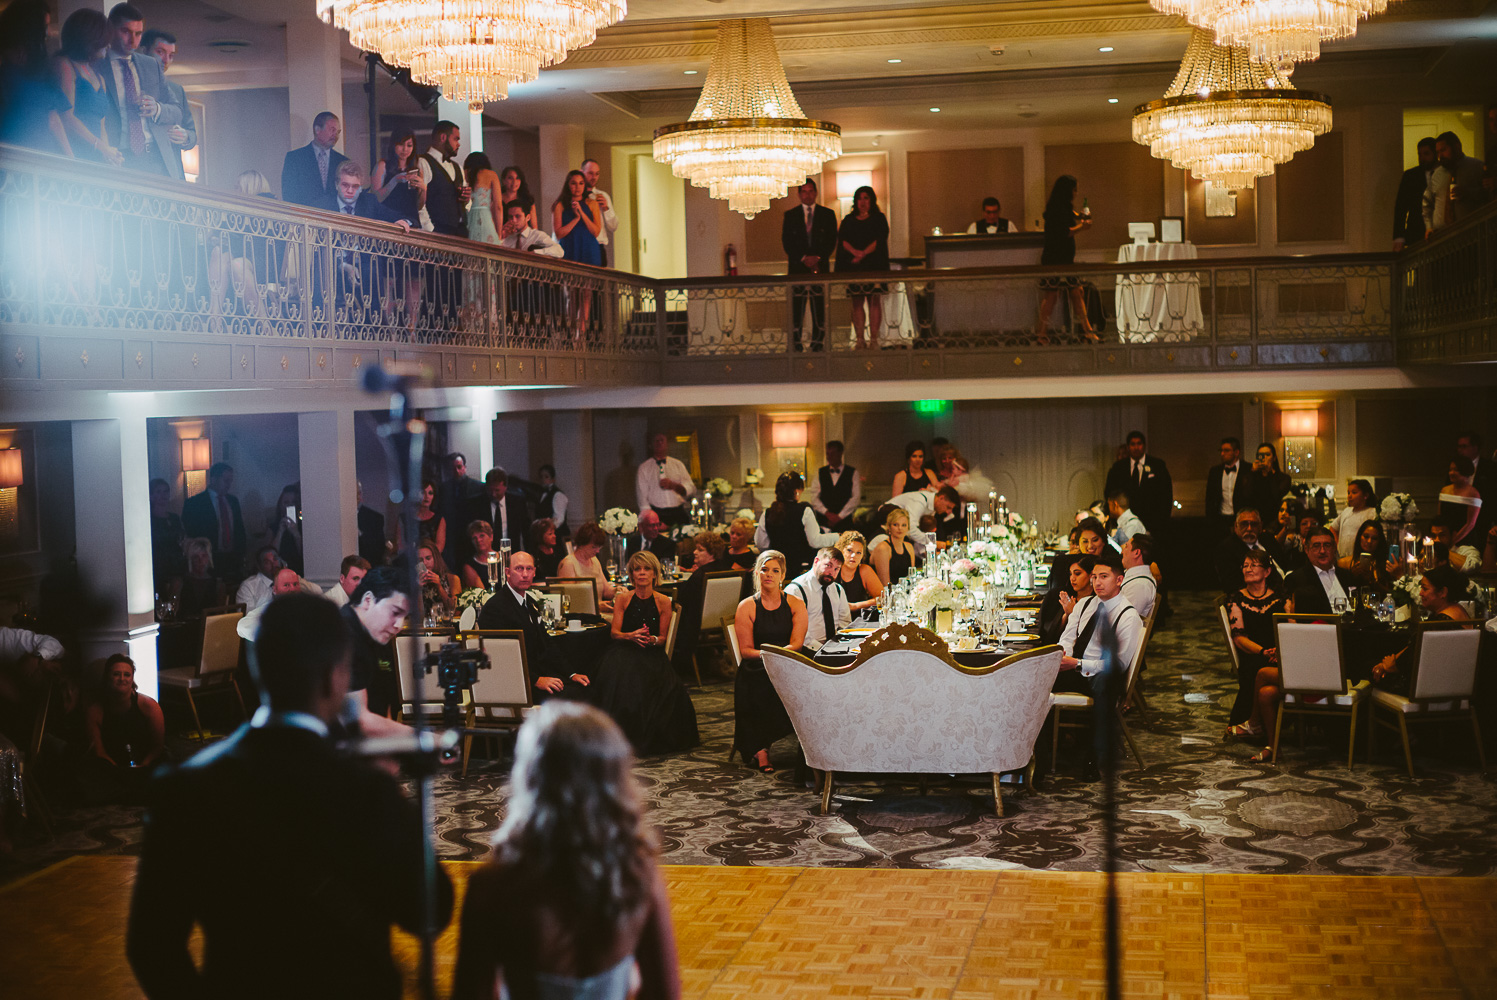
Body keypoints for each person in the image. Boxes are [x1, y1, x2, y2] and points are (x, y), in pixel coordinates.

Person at [127, 594, 451, 1000]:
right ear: (335, 675)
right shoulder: (363, 788)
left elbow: (151, 946)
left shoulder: (186, 786)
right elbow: (430, 910)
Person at [451, 701, 681, 1000]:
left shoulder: (493, 885)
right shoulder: (637, 874)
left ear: (531, 777)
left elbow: (472, 994)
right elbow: (665, 994)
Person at [590, 552, 699, 756]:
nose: (642, 573)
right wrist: (630, 636)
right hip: (624, 650)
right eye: (637, 569)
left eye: (646, 569)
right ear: (632, 574)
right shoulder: (623, 599)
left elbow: (663, 638)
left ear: (654, 573)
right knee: (623, 684)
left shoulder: (663, 601)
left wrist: (651, 640)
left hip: (651, 652)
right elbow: (614, 633)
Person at [476, 552, 591, 700]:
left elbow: (547, 644)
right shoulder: (495, 608)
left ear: (534, 572)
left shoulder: (530, 602)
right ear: (507, 572)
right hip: (516, 682)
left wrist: (571, 674)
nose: (525, 574)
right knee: (572, 697)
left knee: (586, 687)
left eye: (529, 569)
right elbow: (501, 656)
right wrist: (536, 680)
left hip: (536, 673)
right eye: (519, 569)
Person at [732, 550, 807, 773]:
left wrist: (780, 655)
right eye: (764, 570)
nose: (769, 575)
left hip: (786, 660)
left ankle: (809, 748)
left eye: (775, 571)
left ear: (783, 575)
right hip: (757, 663)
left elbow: (797, 644)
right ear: (757, 573)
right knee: (758, 685)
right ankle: (760, 749)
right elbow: (746, 651)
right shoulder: (746, 606)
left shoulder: (795, 604)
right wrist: (769, 656)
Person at [96, 3, 183, 178]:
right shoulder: (96, 65)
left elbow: (177, 111)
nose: (133, 40)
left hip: (156, 158)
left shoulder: (151, 65)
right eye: (126, 32)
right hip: (117, 158)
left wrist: (157, 108)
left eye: (138, 33)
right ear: (111, 29)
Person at [1053, 551, 1144, 705]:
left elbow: (1119, 664)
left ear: (1119, 580)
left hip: (1100, 678)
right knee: (1032, 676)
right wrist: (1064, 656)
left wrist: (1078, 663)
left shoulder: (1128, 616)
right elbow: (1067, 638)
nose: (1097, 583)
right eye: (1094, 577)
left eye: (1104, 577)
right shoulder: (1084, 604)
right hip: (1074, 671)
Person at [1371, 566, 1471, 697]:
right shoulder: (1458, 611)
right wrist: (1392, 661)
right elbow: (1414, 647)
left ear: (1443, 592)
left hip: (1428, 692)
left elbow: (1416, 662)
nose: (1420, 593)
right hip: (1456, 690)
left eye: (1425, 588)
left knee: (1369, 669)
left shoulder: (1440, 623)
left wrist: (1391, 666)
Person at [81, 653, 166, 800]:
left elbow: (158, 746)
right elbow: (99, 751)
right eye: (116, 674)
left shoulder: (149, 706)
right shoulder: (95, 711)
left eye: (127, 675)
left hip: (146, 762)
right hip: (113, 765)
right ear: (107, 677)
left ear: (132, 679)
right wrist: (119, 771)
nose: (122, 679)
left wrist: (143, 767)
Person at [1223, 549, 1288, 740]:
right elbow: (1239, 638)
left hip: (1280, 652)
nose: (1248, 569)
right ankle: (1263, 727)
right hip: (1253, 653)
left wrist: (1280, 649)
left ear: (1267, 572)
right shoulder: (1236, 598)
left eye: (1253, 565)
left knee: (1269, 687)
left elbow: (1291, 628)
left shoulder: (1280, 598)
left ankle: (1258, 725)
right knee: (1255, 669)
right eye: (1245, 566)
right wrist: (1262, 651)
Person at [0, 1, 71, 156]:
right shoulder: (5, 74)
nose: (49, 32)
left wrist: (72, 161)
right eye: (44, 27)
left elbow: (54, 119)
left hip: (45, 163)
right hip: (14, 166)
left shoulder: (43, 71)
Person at [54, 8, 121, 166]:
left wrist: (108, 154)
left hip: (97, 157)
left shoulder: (100, 78)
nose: (108, 45)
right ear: (90, 38)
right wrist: (101, 147)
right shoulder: (64, 65)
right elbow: (66, 117)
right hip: (74, 153)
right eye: (104, 39)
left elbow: (101, 124)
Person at [1035, 174, 1096, 343]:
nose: (1076, 192)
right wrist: (1082, 227)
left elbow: (1072, 215)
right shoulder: (1058, 209)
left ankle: (1087, 331)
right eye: (1074, 189)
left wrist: (1081, 217)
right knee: (1053, 295)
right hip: (1056, 258)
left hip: (1062, 257)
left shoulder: (1058, 206)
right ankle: (1042, 333)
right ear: (1068, 191)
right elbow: (1065, 232)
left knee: (1075, 293)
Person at [782, 178, 838, 351]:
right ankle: (796, 344)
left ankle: (818, 343)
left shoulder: (827, 214)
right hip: (797, 268)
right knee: (796, 308)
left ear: (816, 193)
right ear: (799, 194)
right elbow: (787, 242)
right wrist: (804, 258)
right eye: (804, 191)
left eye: (810, 191)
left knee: (819, 307)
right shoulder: (790, 215)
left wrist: (818, 257)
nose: (807, 195)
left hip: (820, 268)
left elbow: (831, 240)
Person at [835, 185, 890, 350]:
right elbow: (842, 240)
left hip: (873, 265)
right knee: (857, 302)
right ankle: (860, 339)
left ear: (872, 200)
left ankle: (874, 339)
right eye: (860, 198)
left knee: (874, 300)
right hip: (854, 267)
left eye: (866, 198)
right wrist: (854, 252)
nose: (863, 202)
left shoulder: (879, 218)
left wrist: (863, 253)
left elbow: (880, 239)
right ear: (855, 201)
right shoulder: (848, 220)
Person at [755, 472, 839, 577]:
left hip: (777, 570)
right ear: (797, 491)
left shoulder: (768, 512)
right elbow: (815, 541)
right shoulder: (804, 511)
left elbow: (761, 544)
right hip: (800, 570)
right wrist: (837, 537)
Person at [140, 28, 194, 178]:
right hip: (136, 166)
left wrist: (185, 137)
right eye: (160, 52)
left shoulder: (177, 90)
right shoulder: (131, 83)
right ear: (144, 51)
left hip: (170, 171)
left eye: (171, 56)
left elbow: (192, 133)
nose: (166, 60)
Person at [1104, 431, 1173, 543]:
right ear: (1128, 447)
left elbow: (1166, 495)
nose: (1136, 447)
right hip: (1126, 523)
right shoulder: (1118, 468)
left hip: (1153, 524)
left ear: (1144, 446)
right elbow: (1109, 493)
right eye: (1133, 444)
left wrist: (1161, 522)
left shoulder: (1157, 465)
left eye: (1139, 444)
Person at [1423, 131, 1490, 233]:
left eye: (1444, 150)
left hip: (1470, 234)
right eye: (1438, 152)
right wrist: (1429, 227)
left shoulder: (1477, 167)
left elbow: (1489, 196)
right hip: (1441, 235)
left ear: (1457, 147)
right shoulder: (1437, 174)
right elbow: (1427, 202)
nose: (1440, 155)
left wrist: (1468, 193)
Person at [784, 547, 850, 651]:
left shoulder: (837, 589)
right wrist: (824, 650)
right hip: (808, 650)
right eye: (828, 566)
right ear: (816, 561)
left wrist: (840, 646)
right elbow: (797, 633)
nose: (831, 572)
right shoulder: (796, 590)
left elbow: (845, 622)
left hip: (836, 647)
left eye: (836, 569)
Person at [280, 110, 347, 207]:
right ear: (317, 130)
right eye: (332, 130)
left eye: (338, 132)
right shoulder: (295, 158)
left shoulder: (343, 162)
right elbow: (289, 194)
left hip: (335, 219)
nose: (335, 135)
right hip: (304, 217)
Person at [1282, 526, 1354, 614]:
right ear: (1307, 549)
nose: (1322, 551)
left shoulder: (1348, 576)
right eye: (1316, 546)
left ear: (1334, 548)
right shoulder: (1296, 580)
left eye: (1327, 545)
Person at [1213, 508, 1285, 595]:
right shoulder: (1226, 549)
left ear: (1260, 526)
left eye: (1254, 524)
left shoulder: (1268, 539)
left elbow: (1284, 562)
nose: (1249, 528)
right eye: (1244, 524)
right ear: (1236, 526)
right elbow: (1232, 585)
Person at [418, 119, 469, 237]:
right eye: (456, 139)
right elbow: (419, 202)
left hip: (460, 232)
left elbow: (466, 204)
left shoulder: (458, 168)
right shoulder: (423, 162)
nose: (458, 144)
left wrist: (466, 199)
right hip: (437, 232)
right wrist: (430, 231)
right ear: (443, 137)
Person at [369, 129, 426, 226]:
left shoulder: (417, 170)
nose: (405, 149)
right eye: (401, 144)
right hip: (389, 220)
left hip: (411, 221)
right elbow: (375, 198)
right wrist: (394, 181)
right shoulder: (382, 166)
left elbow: (419, 207)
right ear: (393, 145)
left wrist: (423, 188)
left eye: (409, 145)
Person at [635, 432, 694, 526]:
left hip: (678, 513)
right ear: (651, 445)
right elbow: (642, 500)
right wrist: (652, 521)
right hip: (658, 515)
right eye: (656, 441)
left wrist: (674, 486)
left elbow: (691, 488)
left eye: (662, 440)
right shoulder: (644, 468)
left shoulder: (678, 464)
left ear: (667, 444)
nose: (659, 443)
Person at [558, 521, 617, 614]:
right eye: (594, 547)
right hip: (582, 617)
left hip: (598, 613)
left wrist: (617, 591)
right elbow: (568, 600)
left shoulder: (594, 560)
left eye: (599, 547)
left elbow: (606, 591)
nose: (597, 551)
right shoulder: (569, 564)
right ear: (581, 544)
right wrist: (597, 606)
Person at [467, 467, 529, 554]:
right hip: (485, 554)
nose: (493, 494)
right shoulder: (476, 503)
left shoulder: (517, 502)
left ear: (505, 487)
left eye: (497, 490)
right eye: (490, 490)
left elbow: (526, 530)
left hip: (511, 552)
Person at [1393, 136, 1437, 250]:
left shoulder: (1444, 173)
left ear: (1435, 153)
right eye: (1420, 154)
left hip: (1440, 229)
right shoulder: (1410, 176)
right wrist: (1399, 237)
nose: (1422, 158)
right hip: (1416, 232)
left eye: (1426, 154)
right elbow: (1401, 207)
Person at [554, 167, 603, 266]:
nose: (577, 187)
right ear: (568, 185)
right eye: (573, 183)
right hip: (569, 246)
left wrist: (581, 213)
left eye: (581, 183)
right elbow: (558, 234)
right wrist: (576, 219)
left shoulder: (592, 203)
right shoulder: (560, 205)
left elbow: (596, 232)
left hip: (589, 248)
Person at [810, 439, 861, 529]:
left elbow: (856, 498)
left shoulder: (852, 472)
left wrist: (840, 516)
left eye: (832, 454)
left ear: (840, 453)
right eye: (827, 454)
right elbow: (814, 497)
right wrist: (827, 513)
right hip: (823, 521)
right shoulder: (820, 472)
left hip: (844, 522)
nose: (829, 457)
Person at [581, 157, 620, 268]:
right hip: (580, 245)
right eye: (590, 173)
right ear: (581, 172)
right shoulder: (575, 197)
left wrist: (606, 209)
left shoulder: (603, 196)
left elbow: (613, 227)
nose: (594, 177)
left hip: (598, 246)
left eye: (597, 174)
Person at [1338, 520, 1398, 593]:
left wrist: (1373, 581)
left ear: (1379, 541)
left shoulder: (1386, 564)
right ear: (1359, 537)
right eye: (1366, 536)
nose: (1369, 541)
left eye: (1374, 538)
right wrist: (1352, 576)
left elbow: (1391, 594)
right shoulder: (1344, 563)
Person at [1327, 478, 1378, 560]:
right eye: (1348, 493)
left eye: (1354, 493)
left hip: (1361, 558)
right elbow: (1333, 528)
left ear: (1365, 496)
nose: (1349, 496)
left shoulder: (1372, 512)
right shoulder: (1347, 511)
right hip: (1342, 557)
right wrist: (1337, 544)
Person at [148, 477, 184, 591]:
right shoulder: (149, 519)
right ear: (151, 495)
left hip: (176, 564)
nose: (163, 495)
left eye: (165, 491)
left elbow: (180, 538)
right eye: (158, 492)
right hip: (158, 565)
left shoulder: (174, 518)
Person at [834, 530, 883, 613]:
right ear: (841, 550)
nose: (854, 556)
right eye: (849, 551)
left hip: (860, 621)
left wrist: (856, 606)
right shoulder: (833, 569)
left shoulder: (864, 570)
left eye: (858, 553)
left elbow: (883, 598)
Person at [1439, 455, 1483, 546]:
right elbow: (1440, 517)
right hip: (1445, 538)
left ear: (1465, 471)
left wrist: (1454, 541)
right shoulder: (1444, 490)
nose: (1451, 473)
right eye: (1450, 470)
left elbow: (1470, 524)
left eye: (1456, 470)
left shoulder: (1473, 494)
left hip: (1465, 540)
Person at [176, 538, 227, 617]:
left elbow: (220, 615)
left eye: (204, 556)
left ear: (209, 558)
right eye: (196, 557)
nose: (200, 561)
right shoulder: (179, 582)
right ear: (191, 560)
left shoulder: (218, 585)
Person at [868, 506, 918, 586]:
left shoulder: (909, 547)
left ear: (908, 527)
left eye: (904, 525)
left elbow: (911, 577)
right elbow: (885, 585)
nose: (900, 528)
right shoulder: (883, 548)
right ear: (889, 527)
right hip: (887, 594)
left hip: (904, 591)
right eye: (895, 524)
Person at [395, 479, 446, 556]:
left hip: (430, 561)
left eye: (430, 493)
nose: (427, 496)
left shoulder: (439, 519)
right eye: (423, 492)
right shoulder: (403, 518)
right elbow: (400, 545)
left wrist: (424, 559)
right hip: (409, 559)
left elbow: (439, 547)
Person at [463, 150, 503, 245]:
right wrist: (499, 233)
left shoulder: (465, 173)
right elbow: (498, 206)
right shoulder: (491, 175)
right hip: (485, 218)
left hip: (469, 218)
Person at [499, 198, 563, 256]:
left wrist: (535, 253)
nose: (513, 220)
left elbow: (559, 251)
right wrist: (502, 237)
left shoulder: (537, 235)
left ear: (528, 217)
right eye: (510, 217)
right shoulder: (507, 237)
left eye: (518, 216)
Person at [1246, 443, 1292, 520]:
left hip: (1274, 518)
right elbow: (1247, 496)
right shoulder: (1251, 476)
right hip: (1254, 518)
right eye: (1261, 455)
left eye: (1267, 455)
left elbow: (1276, 496)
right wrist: (1252, 472)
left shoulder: (1284, 478)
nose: (1264, 458)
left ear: (1274, 458)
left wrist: (1269, 472)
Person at [266, 483, 303, 576]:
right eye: (286, 502)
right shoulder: (273, 527)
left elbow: (307, 555)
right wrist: (280, 532)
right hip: (279, 573)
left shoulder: (305, 526)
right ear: (280, 505)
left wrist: (296, 534)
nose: (289, 506)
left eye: (293, 502)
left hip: (300, 572)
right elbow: (270, 556)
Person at [1119, 534, 1158, 620]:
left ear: (1136, 553)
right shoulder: (1134, 578)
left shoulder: (1139, 585)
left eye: (1126, 547)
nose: (1122, 552)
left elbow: (1124, 621)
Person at [416, 543, 459, 618]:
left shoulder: (452, 579)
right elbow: (417, 616)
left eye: (428, 558)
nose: (425, 563)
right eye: (420, 560)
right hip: (424, 626)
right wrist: (418, 589)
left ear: (435, 558)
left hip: (446, 625)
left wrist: (439, 586)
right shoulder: (413, 581)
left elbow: (454, 609)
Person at [460, 521, 500, 592]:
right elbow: (481, 594)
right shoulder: (470, 566)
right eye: (474, 538)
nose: (478, 540)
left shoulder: (504, 558)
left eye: (482, 535)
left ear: (491, 537)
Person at [498, 164, 539, 232]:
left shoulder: (528, 200)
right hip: (503, 237)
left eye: (517, 178)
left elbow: (534, 226)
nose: (514, 182)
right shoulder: (497, 199)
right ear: (503, 180)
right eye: (510, 178)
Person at [357, 481, 387, 567]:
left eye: (358, 493)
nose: (356, 497)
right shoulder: (334, 518)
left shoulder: (374, 518)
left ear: (360, 494)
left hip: (369, 570)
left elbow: (378, 550)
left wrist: (360, 534)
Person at [534, 464, 570, 538]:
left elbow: (559, 519)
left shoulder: (558, 495)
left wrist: (548, 529)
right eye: (541, 477)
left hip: (556, 536)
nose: (543, 479)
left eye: (546, 477)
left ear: (553, 479)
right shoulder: (541, 494)